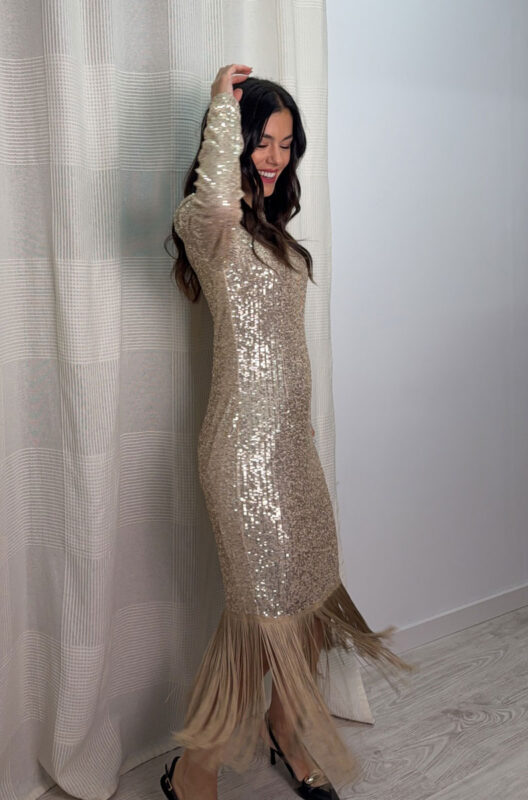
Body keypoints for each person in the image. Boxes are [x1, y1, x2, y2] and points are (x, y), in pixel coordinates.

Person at [161, 64, 416, 800]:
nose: (275, 157)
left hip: (291, 449)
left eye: (285, 144)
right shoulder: (207, 223)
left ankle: (286, 725)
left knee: (307, 600)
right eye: (262, 142)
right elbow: (217, 194)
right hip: (241, 454)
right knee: (258, 617)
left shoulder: (271, 232)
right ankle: (194, 770)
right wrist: (221, 105)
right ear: (232, 143)